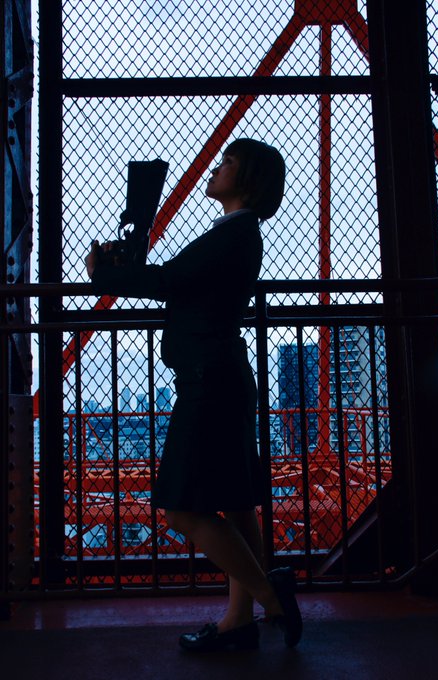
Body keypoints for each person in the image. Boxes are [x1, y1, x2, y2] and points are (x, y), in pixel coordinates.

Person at [85, 138, 302, 651]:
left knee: (181, 510)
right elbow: (183, 281)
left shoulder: (233, 234)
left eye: (228, 162)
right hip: (222, 377)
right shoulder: (238, 234)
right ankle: (237, 623)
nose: (216, 168)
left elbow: (171, 280)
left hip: (208, 382)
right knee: (237, 502)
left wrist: (104, 273)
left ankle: (270, 598)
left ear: (247, 178)